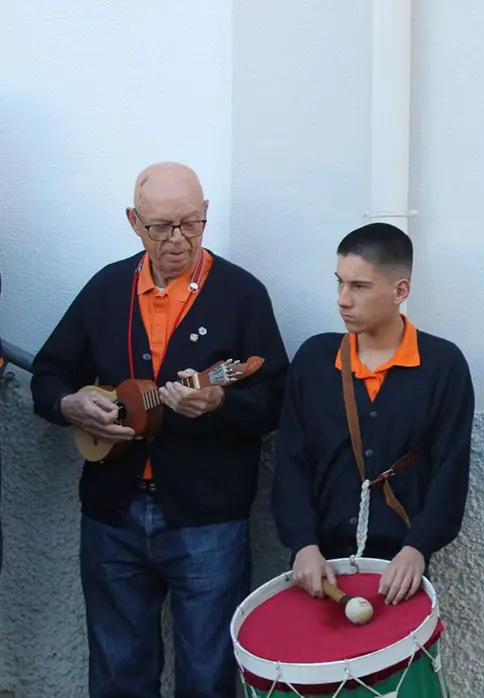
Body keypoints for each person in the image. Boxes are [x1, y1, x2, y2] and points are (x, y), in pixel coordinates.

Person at [28, 162, 289, 698]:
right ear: (133, 221)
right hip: (112, 510)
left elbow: (274, 400)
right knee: (117, 674)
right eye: (161, 226)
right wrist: (69, 404)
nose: (178, 240)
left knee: (208, 677)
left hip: (207, 517)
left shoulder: (241, 295)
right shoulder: (107, 289)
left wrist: (219, 401)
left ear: (206, 213)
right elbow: (49, 374)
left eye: (191, 223)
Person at [271, 221, 475, 606]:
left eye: (359, 286)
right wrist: (302, 544)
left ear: (400, 291)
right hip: (318, 567)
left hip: (399, 572)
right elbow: (292, 461)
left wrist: (417, 548)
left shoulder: (442, 365)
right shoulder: (315, 359)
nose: (343, 299)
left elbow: (450, 468)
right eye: (339, 283)